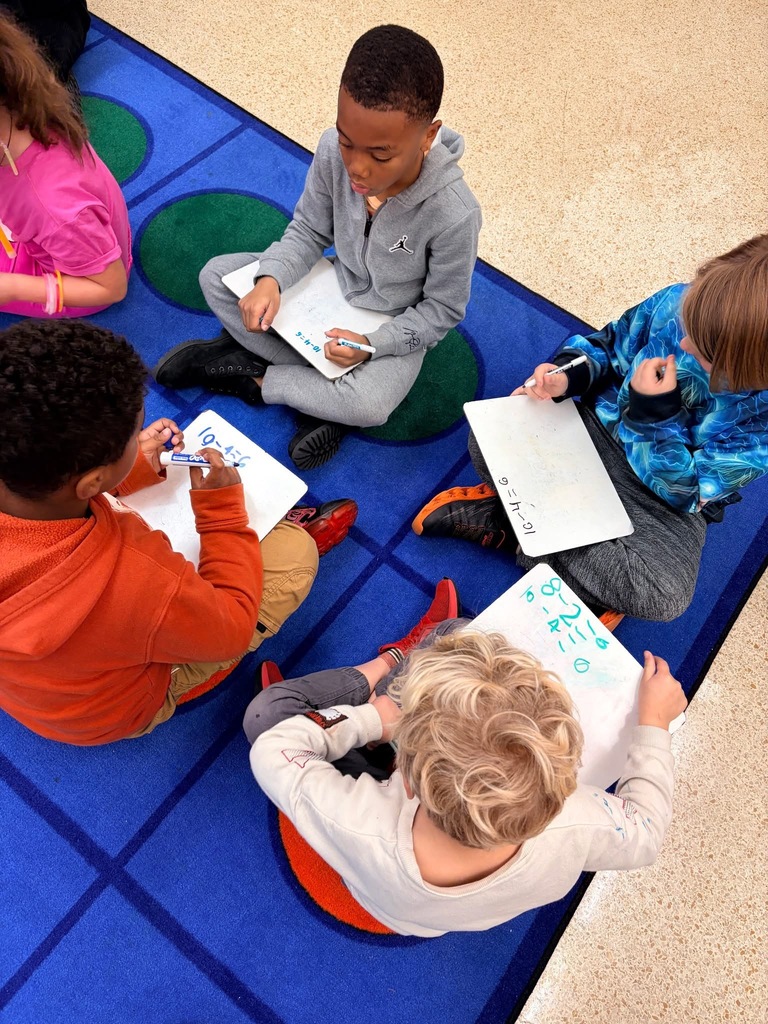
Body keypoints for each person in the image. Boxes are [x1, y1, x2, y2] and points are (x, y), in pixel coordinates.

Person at [245, 594, 685, 937]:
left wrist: (373, 719)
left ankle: (390, 662)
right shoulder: (575, 822)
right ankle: (398, 671)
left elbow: (273, 747)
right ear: (560, 784)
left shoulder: (356, 820)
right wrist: (654, 723)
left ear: (406, 776)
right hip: (422, 916)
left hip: (375, 874)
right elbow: (645, 832)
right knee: (457, 634)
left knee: (270, 712)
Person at [154, 24, 482, 469]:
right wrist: (271, 280)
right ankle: (322, 397)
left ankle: (258, 379)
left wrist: (372, 345)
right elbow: (309, 230)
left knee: (370, 405)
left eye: (380, 155)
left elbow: (441, 311)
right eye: (347, 142)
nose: (357, 167)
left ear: (428, 136)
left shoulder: (455, 213)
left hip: (390, 326)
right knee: (216, 277)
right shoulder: (331, 151)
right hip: (330, 286)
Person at [0, 319, 324, 745]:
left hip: (36, 688)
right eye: (131, 437)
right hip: (114, 710)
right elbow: (229, 630)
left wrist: (122, 472)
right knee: (296, 553)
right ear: (91, 482)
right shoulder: (136, 580)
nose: (139, 437)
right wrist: (223, 515)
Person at [413, 234, 768, 621]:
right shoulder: (678, 304)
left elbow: (688, 492)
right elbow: (607, 348)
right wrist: (565, 376)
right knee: (489, 436)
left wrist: (649, 417)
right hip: (593, 433)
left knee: (665, 597)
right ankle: (571, 570)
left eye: (704, 351)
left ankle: (516, 525)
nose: (684, 343)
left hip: (659, 499)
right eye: (689, 325)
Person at [0, 12, 131, 318]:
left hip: (77, 280)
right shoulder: (26, 103)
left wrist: (12, 288)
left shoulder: (52, 205)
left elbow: (112, 288)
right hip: (69, 238)